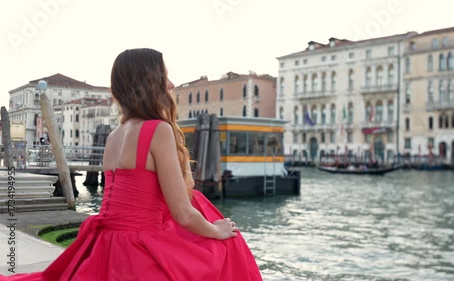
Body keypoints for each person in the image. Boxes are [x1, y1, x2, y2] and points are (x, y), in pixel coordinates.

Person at [0, 48, 263, 281]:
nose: (171, 85)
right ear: (150, 84)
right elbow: (183, 212)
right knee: (230, 244)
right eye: (165, 78)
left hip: (105, 246)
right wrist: (216, 231)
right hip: (137, 250)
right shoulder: (157, 130)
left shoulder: (116, 135)